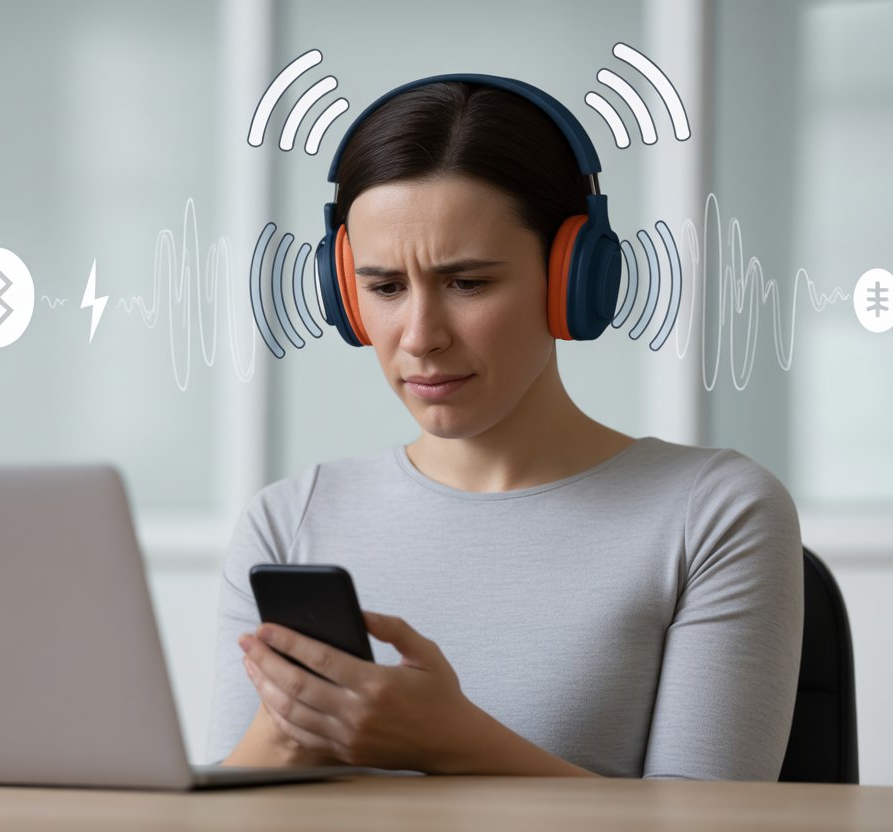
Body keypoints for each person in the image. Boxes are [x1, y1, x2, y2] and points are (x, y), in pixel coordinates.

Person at [205, 78, 803, 779]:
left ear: (573, 281)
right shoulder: (289, 520)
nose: (420, 337)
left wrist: (452, 742)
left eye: (468, 283)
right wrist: (280, 744)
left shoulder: (715, 511)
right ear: (345, 295)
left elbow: (716, 828)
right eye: (386, 287)